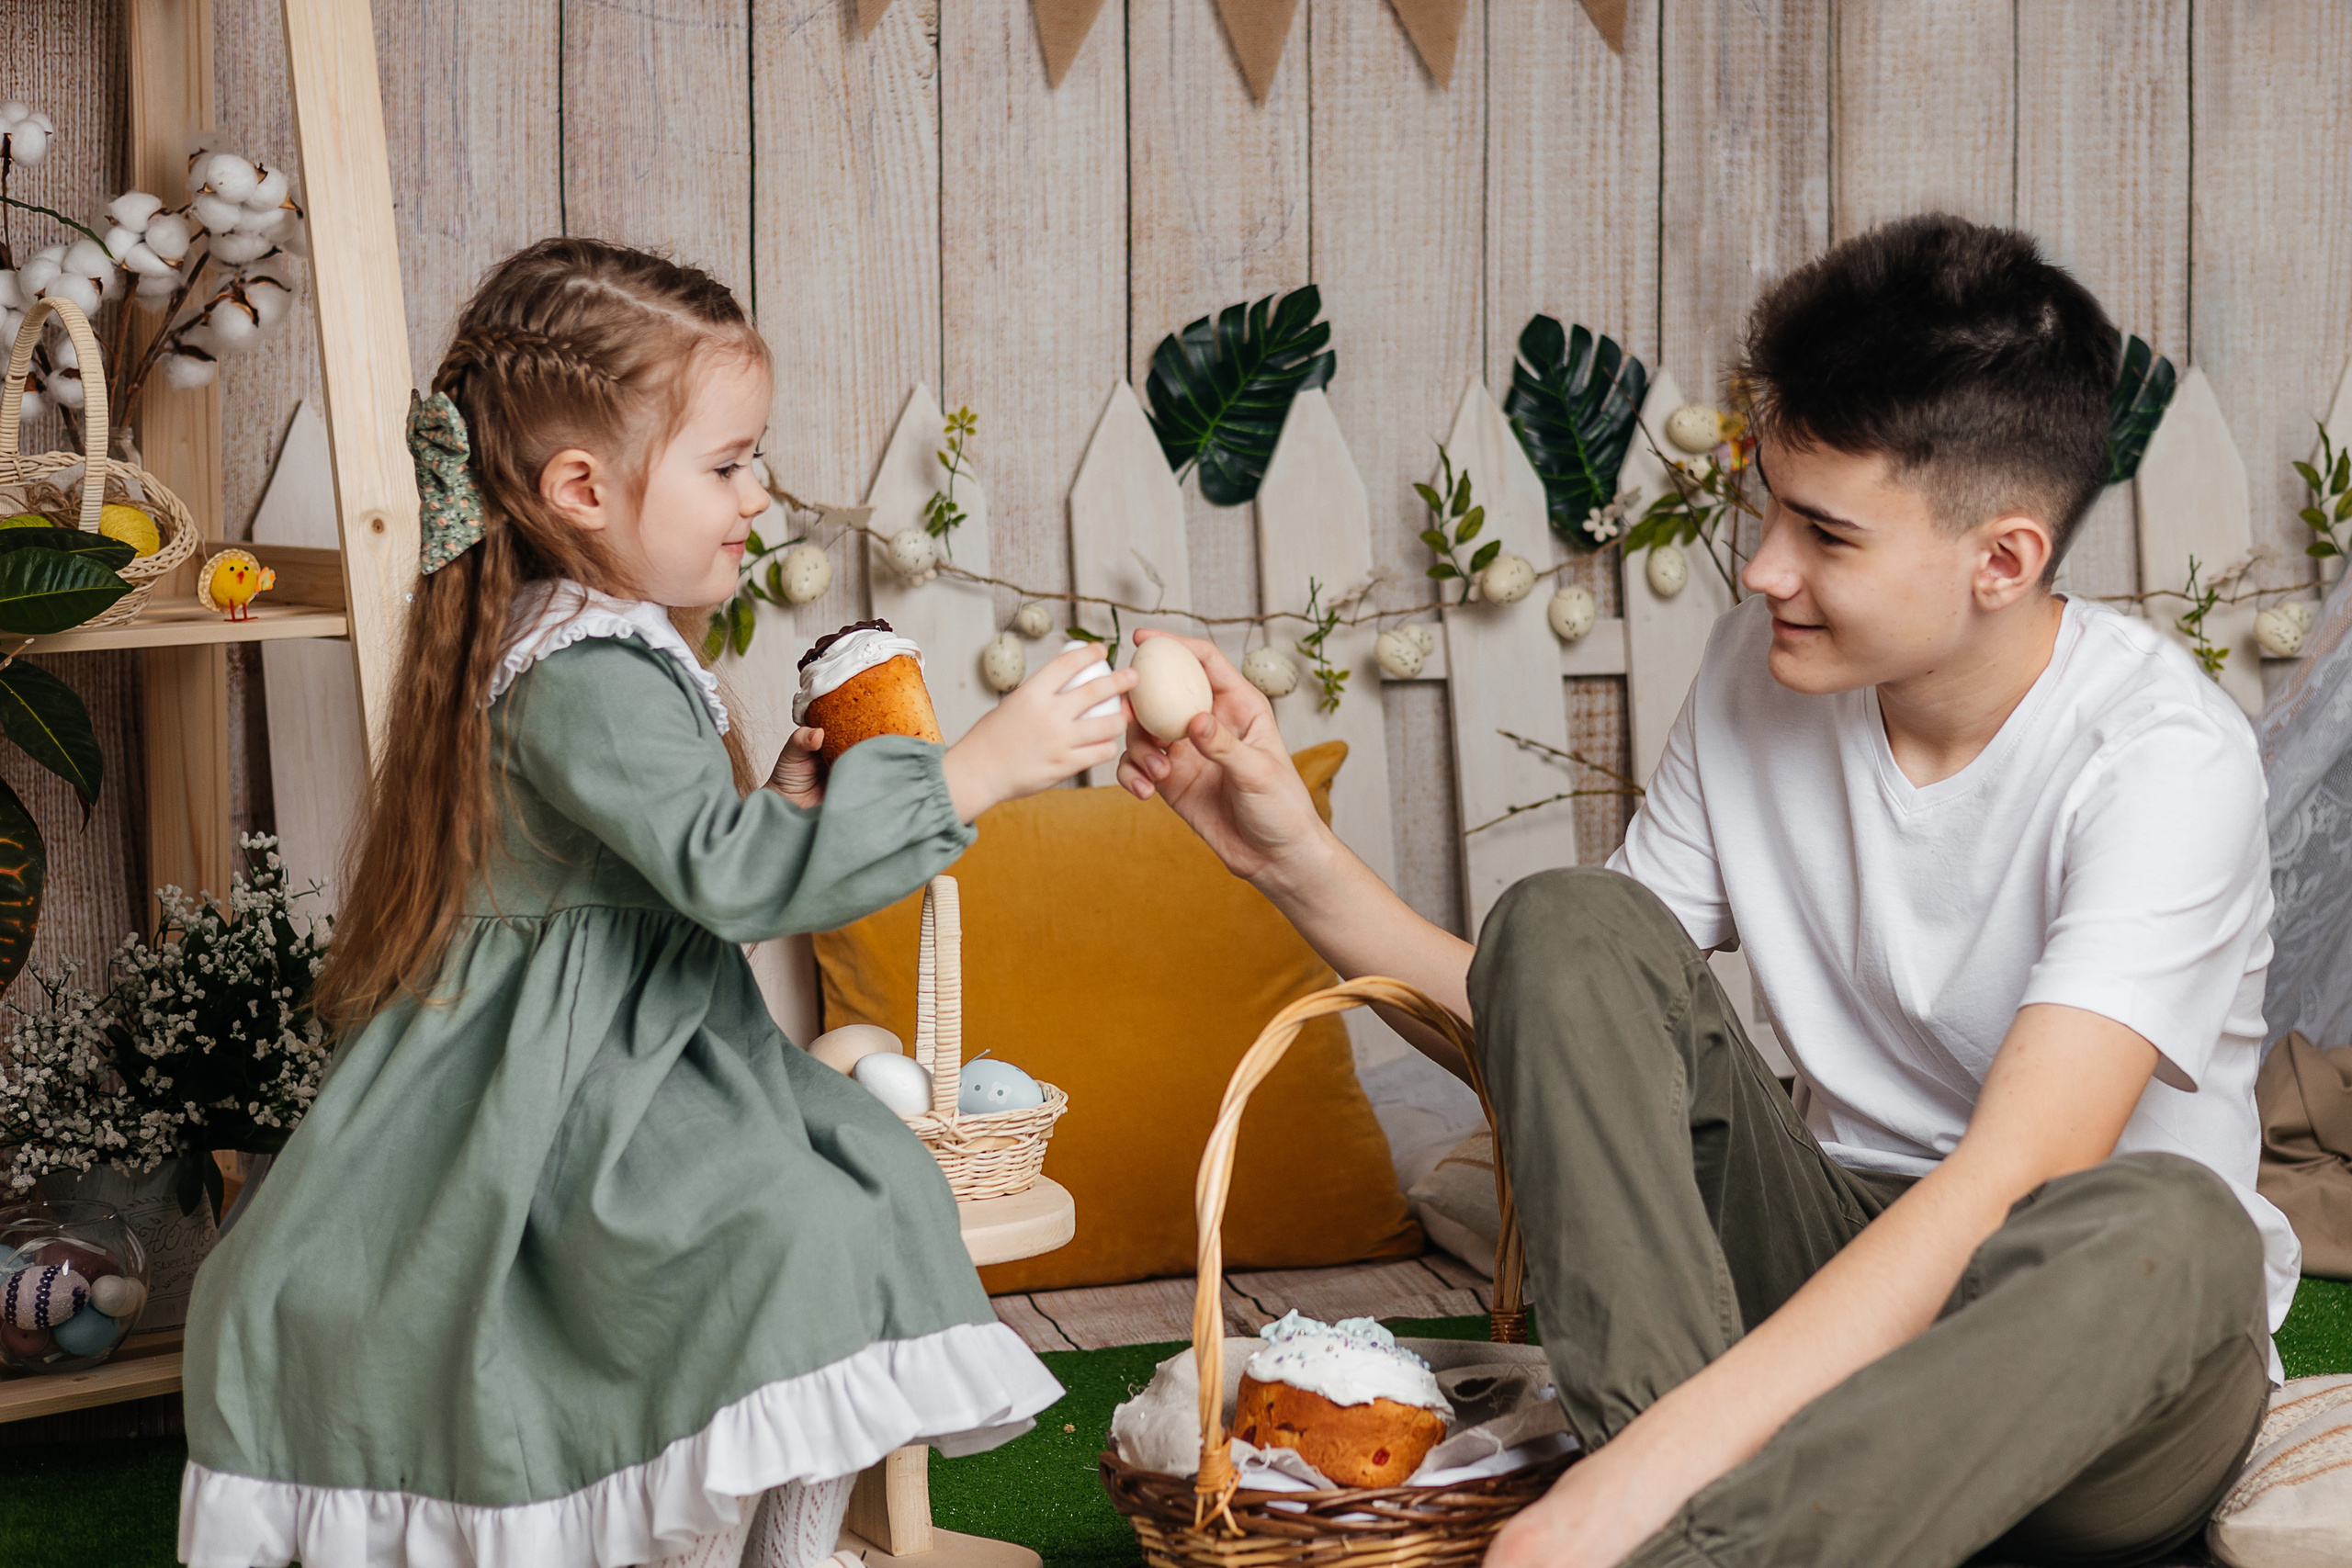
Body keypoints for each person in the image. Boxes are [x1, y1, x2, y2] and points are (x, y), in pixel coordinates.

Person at [1118, 213, 2292, 1568]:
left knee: (2170, 1227)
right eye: (1769, 504)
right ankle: (1698, 1513)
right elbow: (1558, 1017)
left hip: (2094, 1354)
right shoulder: (1760, 671)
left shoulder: (2162, 762)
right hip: (1826, 1250)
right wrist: (1285, 853)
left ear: (2004, 560)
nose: (1763, 567)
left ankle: (1673, 1531)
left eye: (1826, 533)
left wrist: (1617, 1500)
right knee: (1564, 922)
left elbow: (2003, 1182)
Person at [179, 238, 1136, 1568]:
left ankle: (784, 1551)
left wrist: (793, 806)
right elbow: (727, 883)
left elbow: (704, 853)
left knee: (864, 1201)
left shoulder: (611, 637)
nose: (760, 497)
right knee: (795, 1234)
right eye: (729, 463)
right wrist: (978, 767)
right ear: (581, 487)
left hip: (652, 1055)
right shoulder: (582, 666)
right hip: (557, 1091)